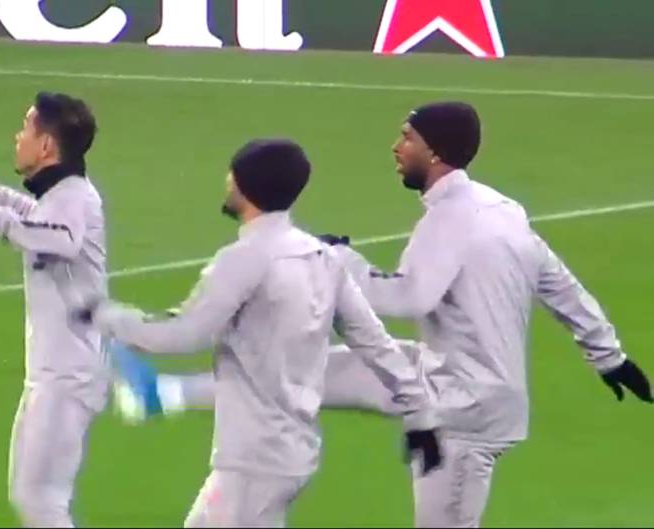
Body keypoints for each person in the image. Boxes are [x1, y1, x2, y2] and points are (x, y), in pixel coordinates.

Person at [117, 102, 653, 528]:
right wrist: (609, 356)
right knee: (310, 367)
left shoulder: (450, 222)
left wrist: (342, 262)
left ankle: (167, 394)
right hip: (446, 375)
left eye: (407, 138)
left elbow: (407, 300)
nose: (396, 148)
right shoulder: (502, 210)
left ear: (436, 152)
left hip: (465, 409)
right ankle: (165, 394)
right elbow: (559, 282)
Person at [79, 139, 441, 528]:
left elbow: (186, 333)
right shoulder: (322, 258)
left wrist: (109, 317)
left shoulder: (246, 259)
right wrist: (421, 413)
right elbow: (374, 342)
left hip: (254, 459)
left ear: (244, 183)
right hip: (289, 452)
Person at [0, 92, 109, 527]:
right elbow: (27, 212)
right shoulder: (62, 195)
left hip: (67, 377)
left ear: (46, 145)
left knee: (41, 502)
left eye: (26, 127)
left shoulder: (74, 200)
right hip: (54, 372)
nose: (18, 136)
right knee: (30, 495)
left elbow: (56, 238)